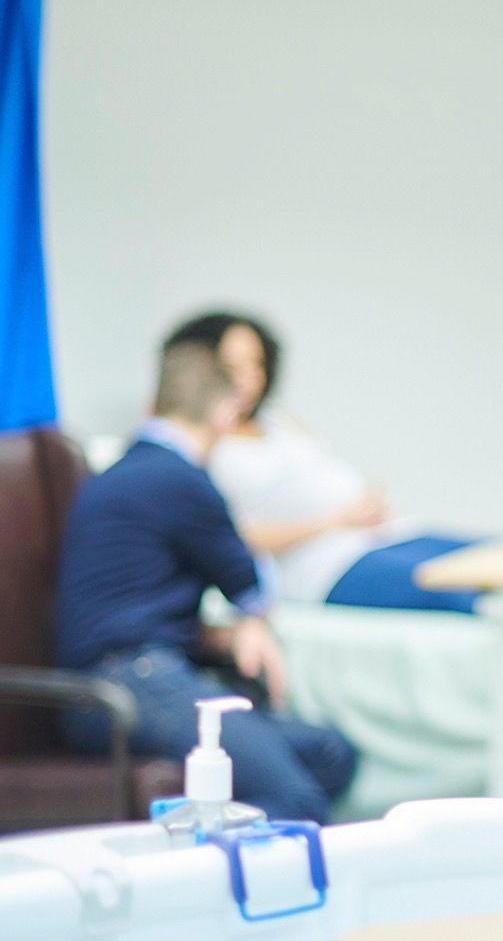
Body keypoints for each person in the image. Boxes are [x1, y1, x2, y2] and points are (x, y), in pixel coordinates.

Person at [56, 337, 358, 822]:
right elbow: (255, 587)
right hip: (133, 682)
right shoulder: (182, 481)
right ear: (225, 412)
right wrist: (250, 623)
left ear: (153, 404)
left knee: (330, 752)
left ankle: (223, 854)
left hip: (124, 679)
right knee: (297, 799)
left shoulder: (124, 472)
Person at [165, 311, 480, 613]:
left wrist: (365, 501)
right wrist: (336, 520)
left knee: (500, 556)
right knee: (461, 591)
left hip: (380, 537)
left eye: (256, 365)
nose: (249, 379)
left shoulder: (277, 422)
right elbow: (227, 537)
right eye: (234, 366)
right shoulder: (199, 444)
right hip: (322, 566)